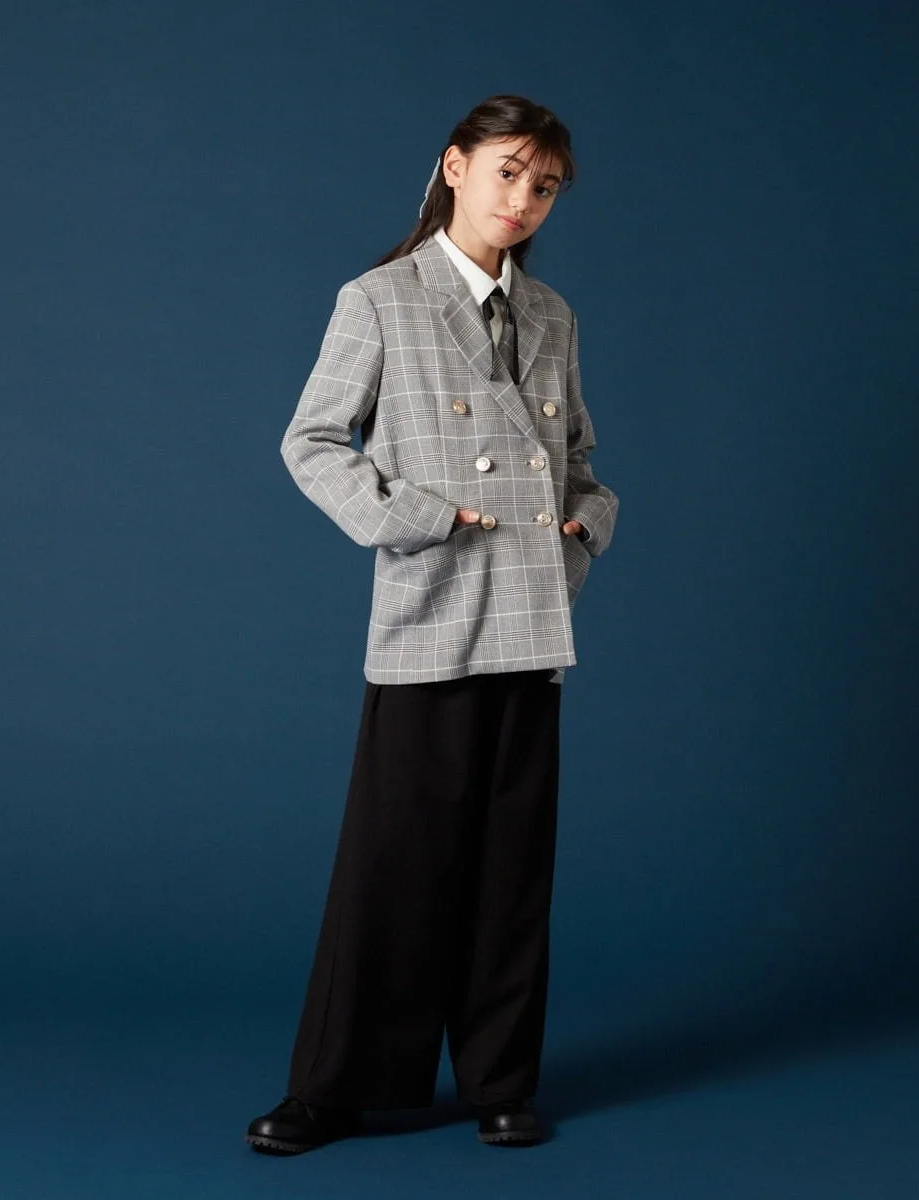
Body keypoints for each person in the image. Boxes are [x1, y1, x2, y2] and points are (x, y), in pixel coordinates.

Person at [245, 93, 619, 1156]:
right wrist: (417, 519)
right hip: (434, 609)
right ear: (455, 167)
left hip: (532, 619)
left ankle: (501, 1080)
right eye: (507, 172)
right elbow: (312, 441)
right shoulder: (382, 299)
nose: (524, 199)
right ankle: (332, 1089)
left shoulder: (552, 316)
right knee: (395, 866)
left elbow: (582, 465)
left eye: (545, 185)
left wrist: (581, 530)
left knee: (511, 873)